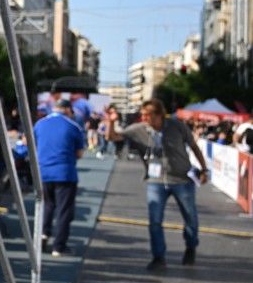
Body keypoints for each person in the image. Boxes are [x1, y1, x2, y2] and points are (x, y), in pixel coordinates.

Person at [106, 98, 209, 271]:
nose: (144, 118)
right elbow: (113, 137)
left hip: (181, 179)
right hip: (156, 181)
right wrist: (111, 121)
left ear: (160, 114)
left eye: (148, 115)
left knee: (190, 218)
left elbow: (194, 146)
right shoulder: (138, 129)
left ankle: (191, 246)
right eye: (143, 114)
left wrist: (204, 169)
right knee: (155, 221)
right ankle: (158, 257)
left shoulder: (177, 126)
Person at [33, 99, 86, 257]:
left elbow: (33, 145)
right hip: (65, 172)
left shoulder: (39, 124)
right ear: (68, 110)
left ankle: (43, 233)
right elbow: (79, 153)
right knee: (64, 210)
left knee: (47, 205)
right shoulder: (73, 126)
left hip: (44, 171)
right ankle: (59, 246)